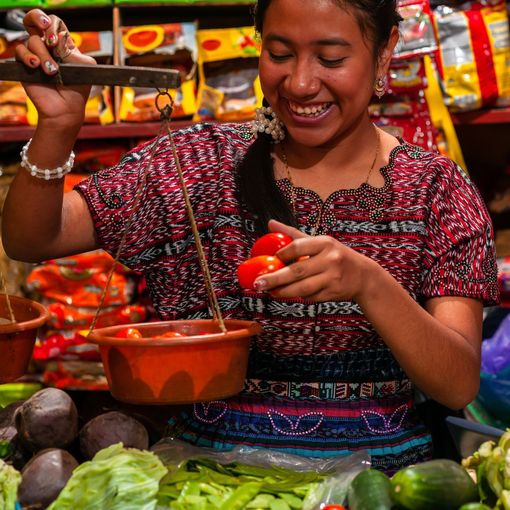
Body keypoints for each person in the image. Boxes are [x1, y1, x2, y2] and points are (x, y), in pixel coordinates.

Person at [3, 0, 499, 473]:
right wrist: (59, 124)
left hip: (380, 486)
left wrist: (370, 283)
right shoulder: (198, 165)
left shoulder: (437, 190)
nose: (301, 83)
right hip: (210, 480)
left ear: (386, 50)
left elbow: (456, 384)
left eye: (331, 58)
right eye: (279, 54)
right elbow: (32, 238)